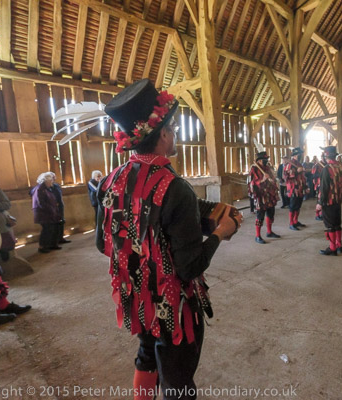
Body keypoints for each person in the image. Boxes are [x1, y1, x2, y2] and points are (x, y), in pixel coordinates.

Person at [95, 79, 243, 400]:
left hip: (137, 297)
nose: (174, 133)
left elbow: (103, 243)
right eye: (172, 128)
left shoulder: (111, 181)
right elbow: (190, 267)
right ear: (162, 134)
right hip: (173, 306)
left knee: (148, 355)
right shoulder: (175, 188)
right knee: (176, 378)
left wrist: (145, 254)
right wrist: (221, 232)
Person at [317, 146, 342, 256]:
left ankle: (333, 248)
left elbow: (324, 188)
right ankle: (339, 245)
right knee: (337, 223)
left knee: (330, 225)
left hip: (329, 201)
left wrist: (320, 203)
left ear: (326, 156)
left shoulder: (327, 169)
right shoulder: (341, 166)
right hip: (338, 199)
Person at [249, 151, 280, 244]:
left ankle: (269, 232)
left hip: (270, 194)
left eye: (266, 159)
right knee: (260, 216)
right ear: (259, 160)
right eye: (264, 160)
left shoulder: (267, 168)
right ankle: (257, 236)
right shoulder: (254, 169)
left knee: (271, 214)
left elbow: (273, 178)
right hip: (261, 195)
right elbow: (251, 183)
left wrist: (273, 180)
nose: (266, 161)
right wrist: (262, 180)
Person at [30, 172, 62, 253]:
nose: (52, 182)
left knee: (52, 229)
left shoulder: (47, 188)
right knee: (46, 229)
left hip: (49, 212)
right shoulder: (40, 189)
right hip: (43, 213)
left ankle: (51, 245)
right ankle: (42, 246)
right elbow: (41, 203)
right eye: (51, 181)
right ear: (46, 181)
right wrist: (51, 209)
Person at [284, 147, 308, 230]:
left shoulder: (299, 164)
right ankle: (291, 223)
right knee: (293, 206)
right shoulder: (289, 164)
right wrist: (296, 172)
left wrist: (305, 186)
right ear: (295, 155)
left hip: (300, 188)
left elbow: (303, 177)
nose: (300, 156)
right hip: (293, 189)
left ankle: (295, 221)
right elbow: (285, 176)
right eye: (299, 154)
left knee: (298, 206)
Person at [51, 174, 70, 245]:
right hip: (55, 206)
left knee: (61, 221)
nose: (54, 178)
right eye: (52, 177)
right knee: (56, 223)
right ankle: (56, 239)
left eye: (54, 177)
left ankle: (61, 237)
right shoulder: (49, 187)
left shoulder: (56, 185)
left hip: (60, 205)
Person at [311, 153, 327, 221]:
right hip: (319, 184)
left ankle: (323, 213)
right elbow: (314, 175)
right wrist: (322, 174)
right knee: (319, 199)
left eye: (325, 157)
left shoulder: (327, 165)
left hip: (326, 184)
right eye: (323, 157)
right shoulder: (317, 165)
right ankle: (317, 214)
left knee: (325, 199)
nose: (324, 158)